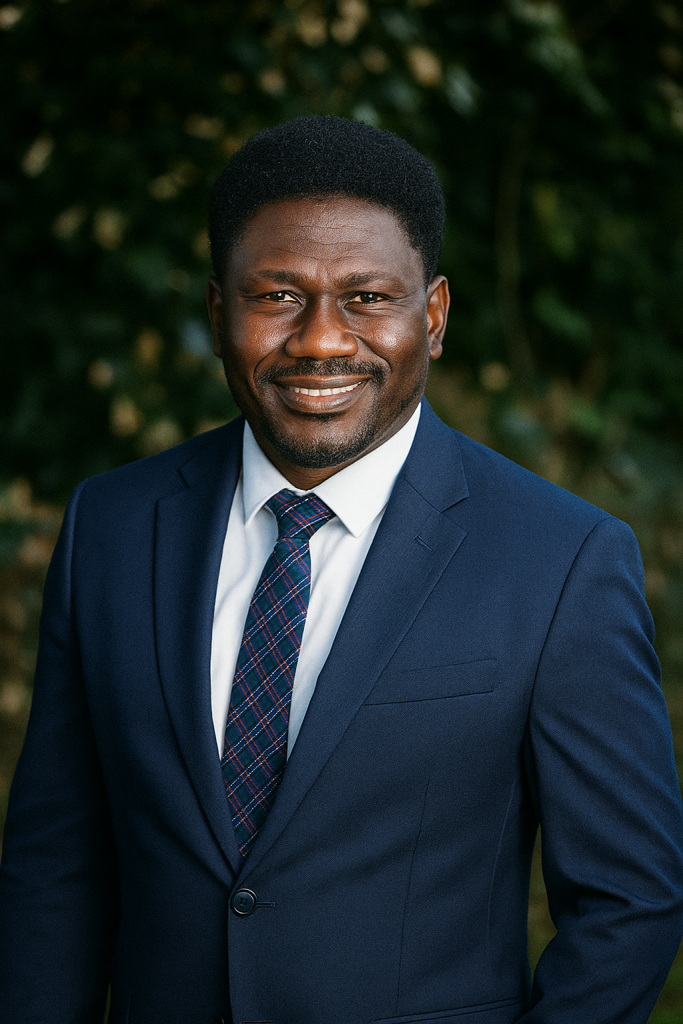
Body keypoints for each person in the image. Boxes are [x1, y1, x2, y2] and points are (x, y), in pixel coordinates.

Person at [1, 115, 682, 1024]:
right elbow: (55, 869)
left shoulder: (560, 559)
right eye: (277, 295)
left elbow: (628, 904)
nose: (320, 340)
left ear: (431, 317)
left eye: (365, 297)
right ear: (217, 312)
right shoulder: (111, 528)